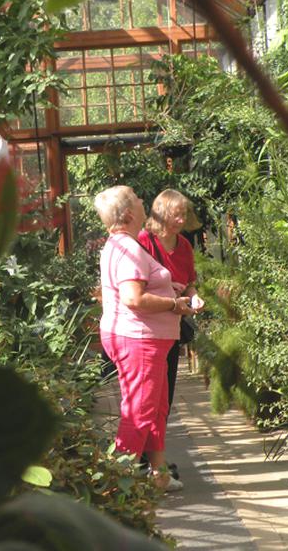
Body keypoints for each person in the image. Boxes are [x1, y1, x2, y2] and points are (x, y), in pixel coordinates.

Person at [94, 185, 194, 492]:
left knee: (156, 408)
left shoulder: (122, 245)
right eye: (137, 198)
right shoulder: (128, 248)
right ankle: (118, 484)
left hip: (144, 339)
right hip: (138, 339)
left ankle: (158, 474)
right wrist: (173, 304)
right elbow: (133, 298)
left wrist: (173, 293)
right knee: (138, 410)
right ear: (127, 214)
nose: (142, 201)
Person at [138, 189, 203, 417]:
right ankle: (145, 450)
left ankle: (156, 449)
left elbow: (189, 283)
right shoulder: (144, 241)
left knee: (166, 394)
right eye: (176, 215)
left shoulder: (184, 245)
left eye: (183, 214)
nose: (181, 220)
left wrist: (194, 297)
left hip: (172, 327)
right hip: (148, 328)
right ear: (161, 213)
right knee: (148, 396)